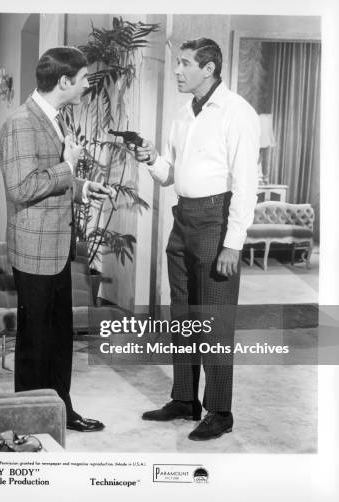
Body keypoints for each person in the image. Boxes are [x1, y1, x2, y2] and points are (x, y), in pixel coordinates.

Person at [136, 38, 259, 440]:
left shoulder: (237, 112)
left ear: (208, 69)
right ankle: (185, 400)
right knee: (183, 315)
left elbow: (245, 183)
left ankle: (220, 411)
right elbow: (171, 172)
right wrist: (152, 158)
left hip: (216, 222)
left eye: (185, 64)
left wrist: (233, 243)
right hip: (183, 219)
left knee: (215, 320)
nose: (177, 70)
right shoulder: (182, 112)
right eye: (177, 63)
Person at [0, 47, 115, 432]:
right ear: (64, 82)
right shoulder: (21, 122)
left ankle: (60, 410)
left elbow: (51, 178)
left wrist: (81, 187)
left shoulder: (54, 117)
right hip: (35, 249)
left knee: (58, 337)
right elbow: (20, 187)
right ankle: (29, 419)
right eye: (83, 79)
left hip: (57, 247)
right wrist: (68, 167)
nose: (87, 85)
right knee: (36, 342)